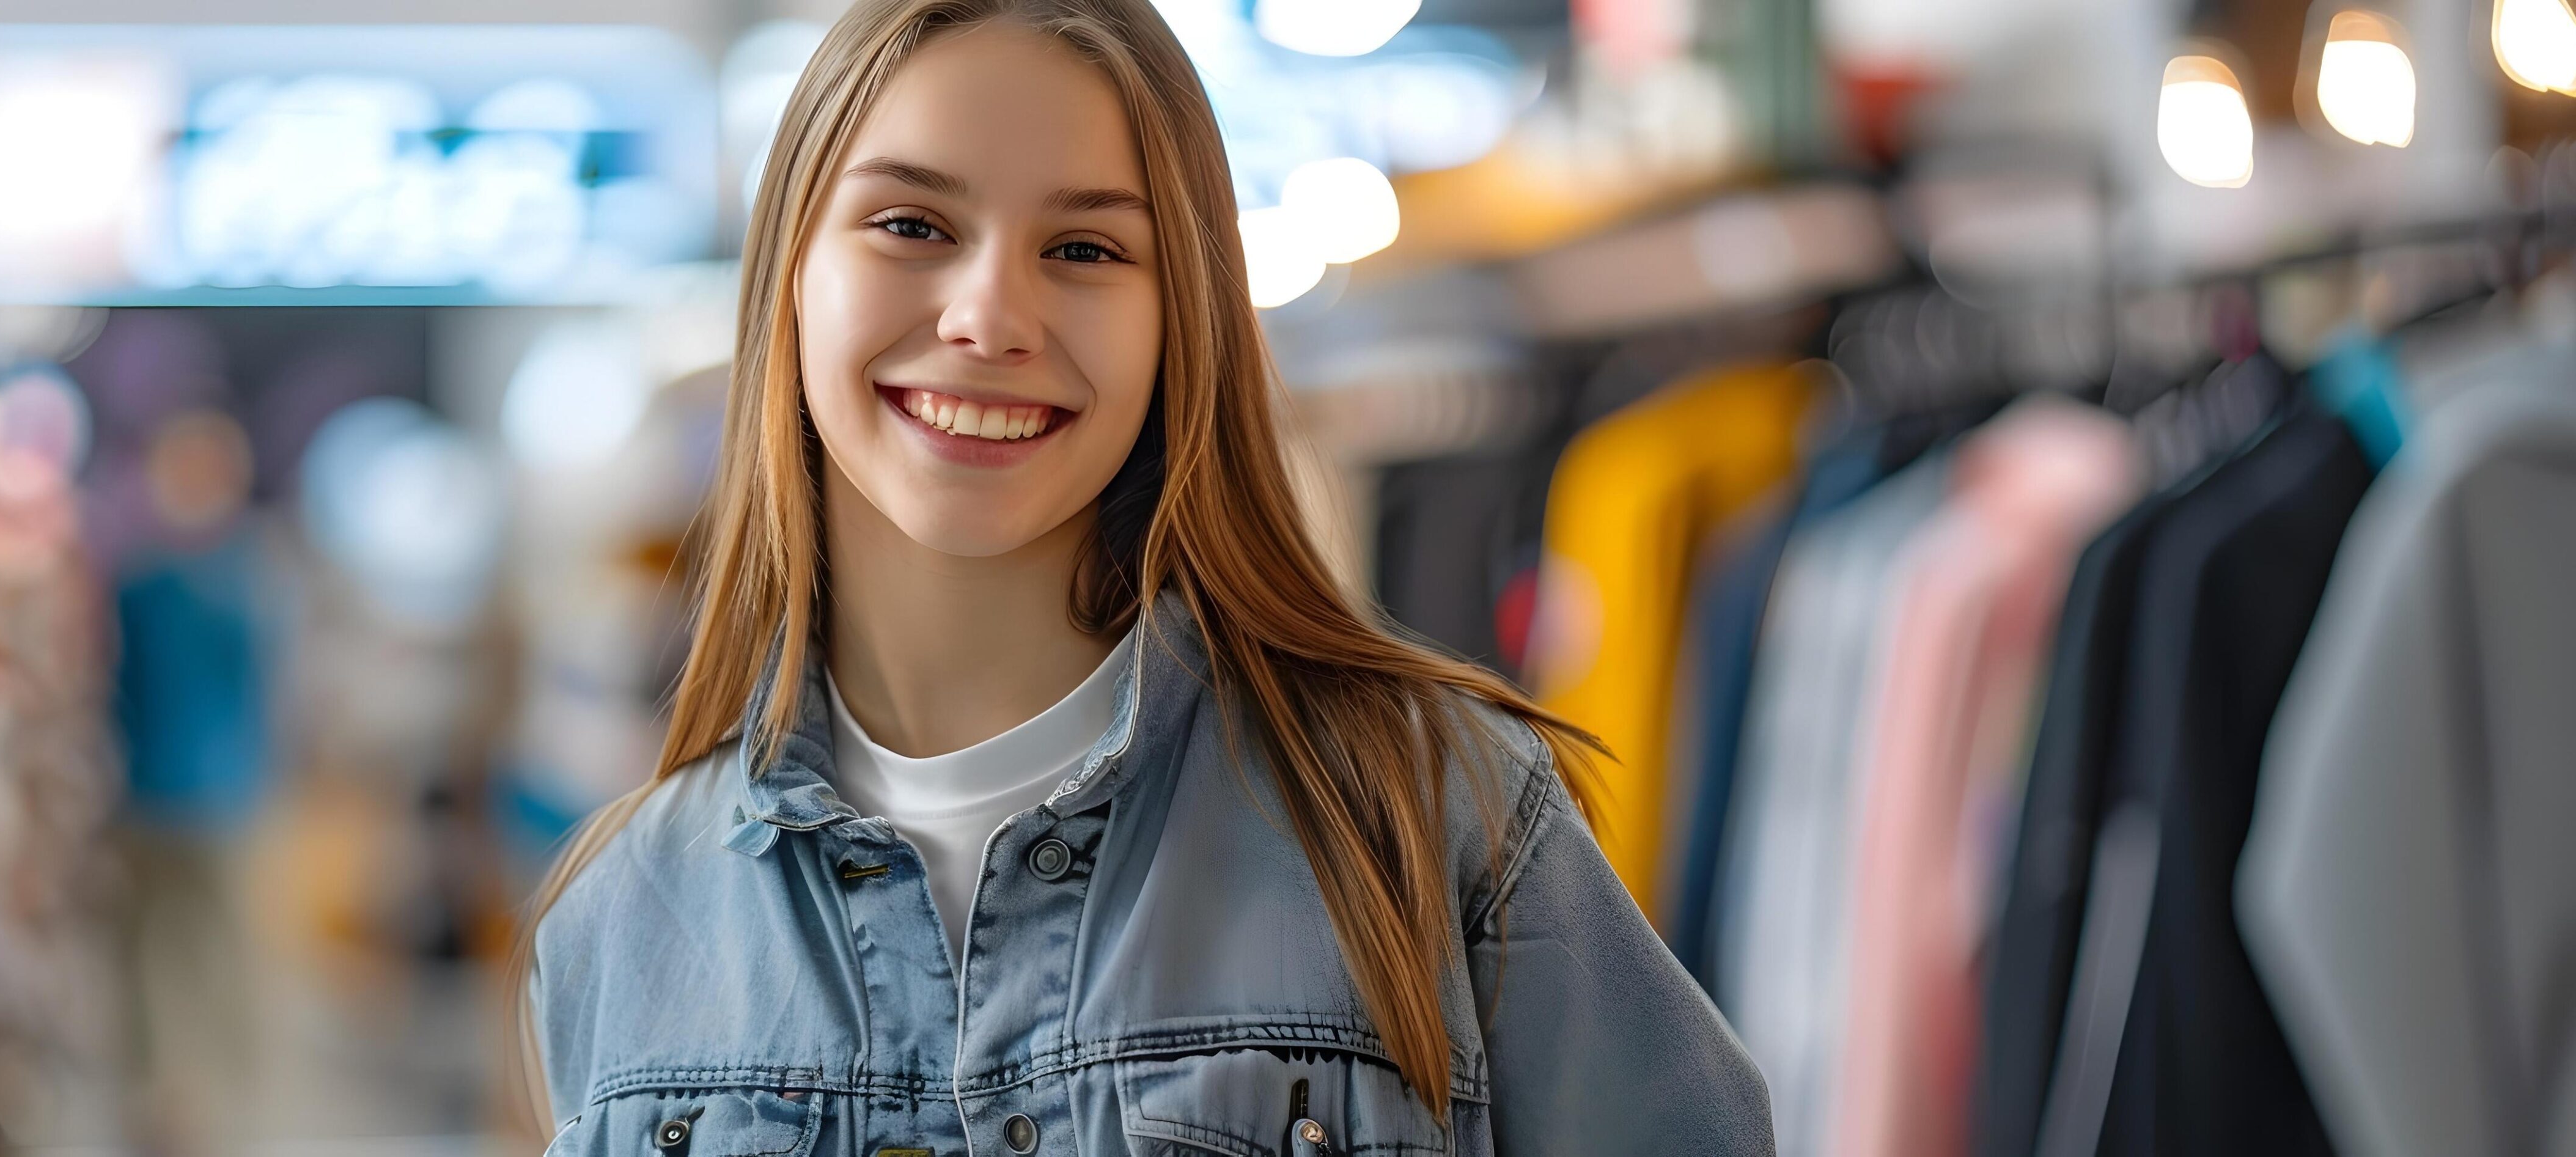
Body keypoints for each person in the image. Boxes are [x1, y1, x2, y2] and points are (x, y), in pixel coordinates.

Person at [516, 1, 1770, 1153]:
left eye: (1085, 248)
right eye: (911, 225)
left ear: (1185, 317)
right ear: (790, 272)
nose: (989, 315)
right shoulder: (622, 913)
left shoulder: (1436, 816)